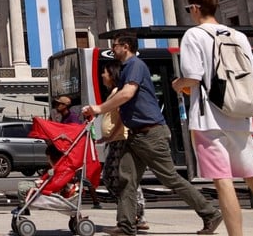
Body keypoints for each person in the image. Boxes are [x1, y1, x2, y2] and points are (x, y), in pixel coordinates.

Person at [84, 32, 221, 236]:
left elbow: (127, 94)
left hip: (150, 134)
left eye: (115, 46)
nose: (112, 49)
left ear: (126, 47)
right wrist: (112, 136)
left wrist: (98, 109)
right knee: (126, 179)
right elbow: (125, 106)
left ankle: (210, 213)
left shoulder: (135, 65)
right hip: (136, 135)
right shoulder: (126, 69)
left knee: (170, 178)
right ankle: (126, 225)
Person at [172, 0, 253, 236]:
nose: (189, 14)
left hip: (209, 118)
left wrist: (178, 84)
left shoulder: (194, 35)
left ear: (196, 8)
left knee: (223, 182)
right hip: (240, 115)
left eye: (189, 9)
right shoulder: (238, 35)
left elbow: (193, 77)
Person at [97, 59, 146, 231]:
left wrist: (111, 136)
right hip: (115, 139)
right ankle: (132, 213)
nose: (102, 75)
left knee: (115, 178)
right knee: (117, 178)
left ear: (111, 74)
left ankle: (135, 213)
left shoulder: (118, 91)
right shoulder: (113, 92)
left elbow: (122, 116)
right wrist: (106, 137)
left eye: (104, 72)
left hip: (120, 140)